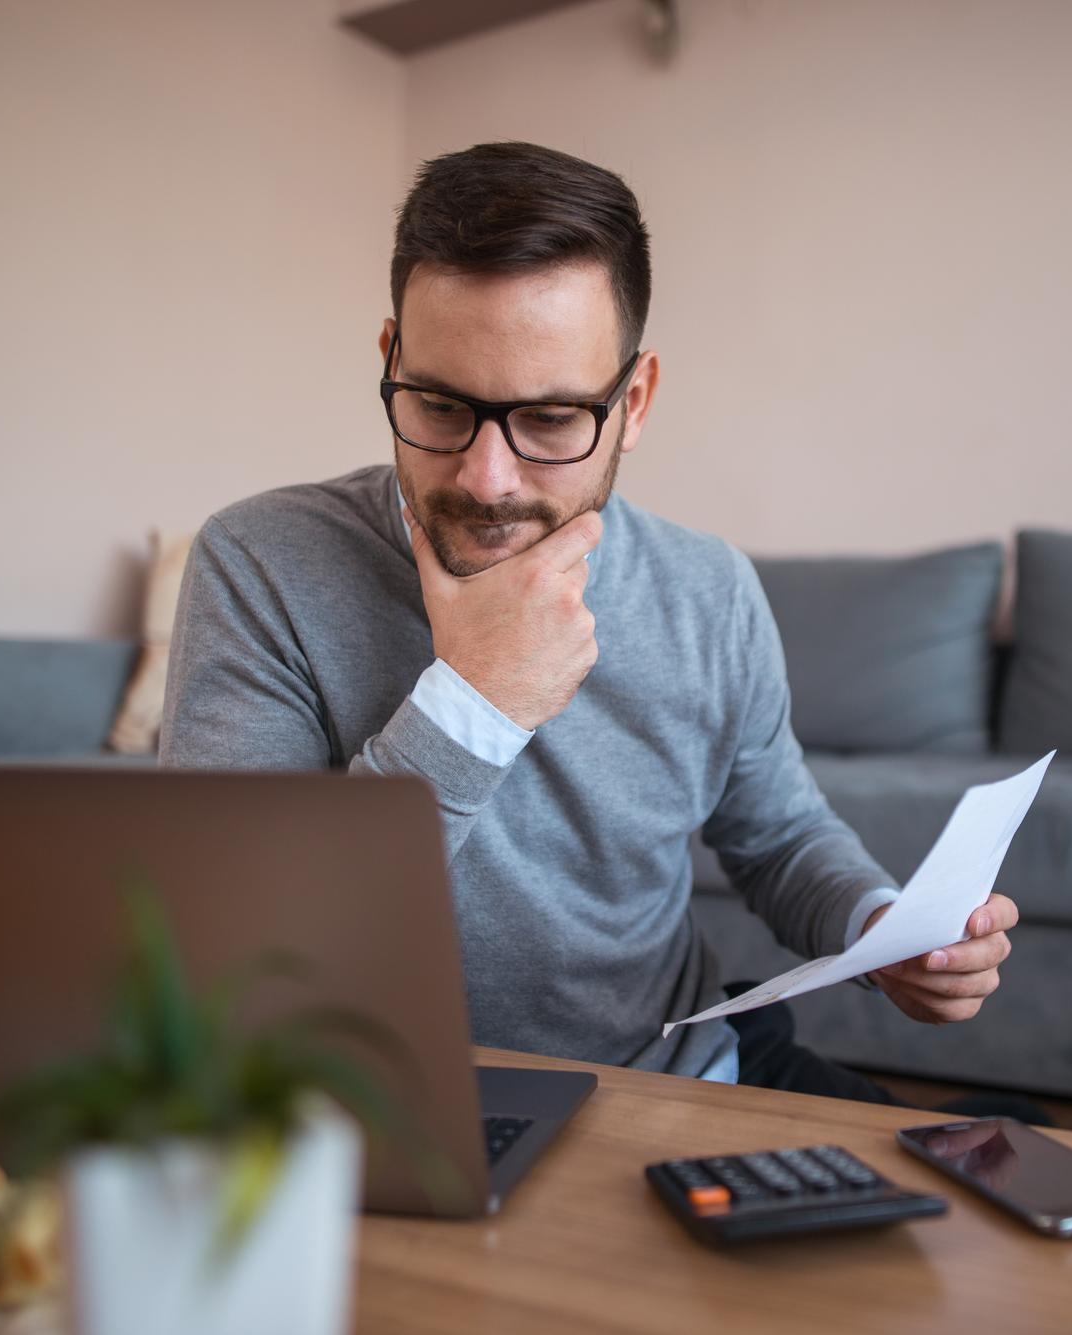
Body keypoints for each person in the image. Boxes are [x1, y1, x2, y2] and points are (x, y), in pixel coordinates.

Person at [160, 141, 1019, 1105]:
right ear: (389, 363)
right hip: (382, 1109)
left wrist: (879, 926)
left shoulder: (710, 589)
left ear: (634, 401)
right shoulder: (261, 562)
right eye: (440, 405)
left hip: (679, 1074)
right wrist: (473, 704)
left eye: (553, 419)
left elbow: (777, 835)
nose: (488, 478)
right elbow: (233, 953)